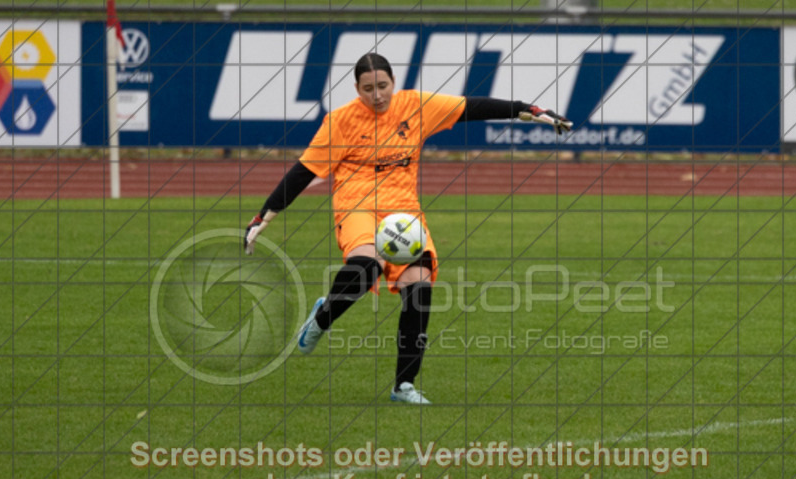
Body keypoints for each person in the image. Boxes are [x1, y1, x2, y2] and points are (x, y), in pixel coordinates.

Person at [244, 53, 571, 405]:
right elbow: (303, 172)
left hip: (403, 212)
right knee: (365, 267)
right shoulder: (339, 122)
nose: (377, 95)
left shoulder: (416, 105)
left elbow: (472, 107)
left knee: (418, 286)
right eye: (368, 89)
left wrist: (531, 110)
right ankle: (323, 319)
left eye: (382, 86)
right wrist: (263, 217)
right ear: (357, 89)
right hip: (357, 205)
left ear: (393, 82)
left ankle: (404, 386)